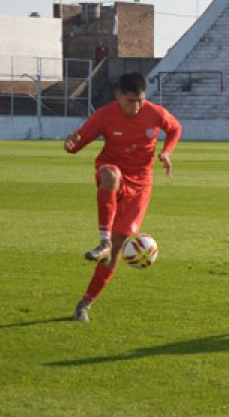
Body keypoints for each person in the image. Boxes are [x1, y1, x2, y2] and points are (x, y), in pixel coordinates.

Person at [64, 71, 181, 323]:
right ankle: (102, 241)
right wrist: (70, 143)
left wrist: (166, 152)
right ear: (118, 95)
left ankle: (85, 303)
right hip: (111, 168)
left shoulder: (155, 113)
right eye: (130, 101)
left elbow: (175, 128)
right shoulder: (104, 116)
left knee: (120, 245)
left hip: (141, 184)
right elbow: (76, 145)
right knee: (112, 175)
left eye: (140, 100)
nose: (136, 106)